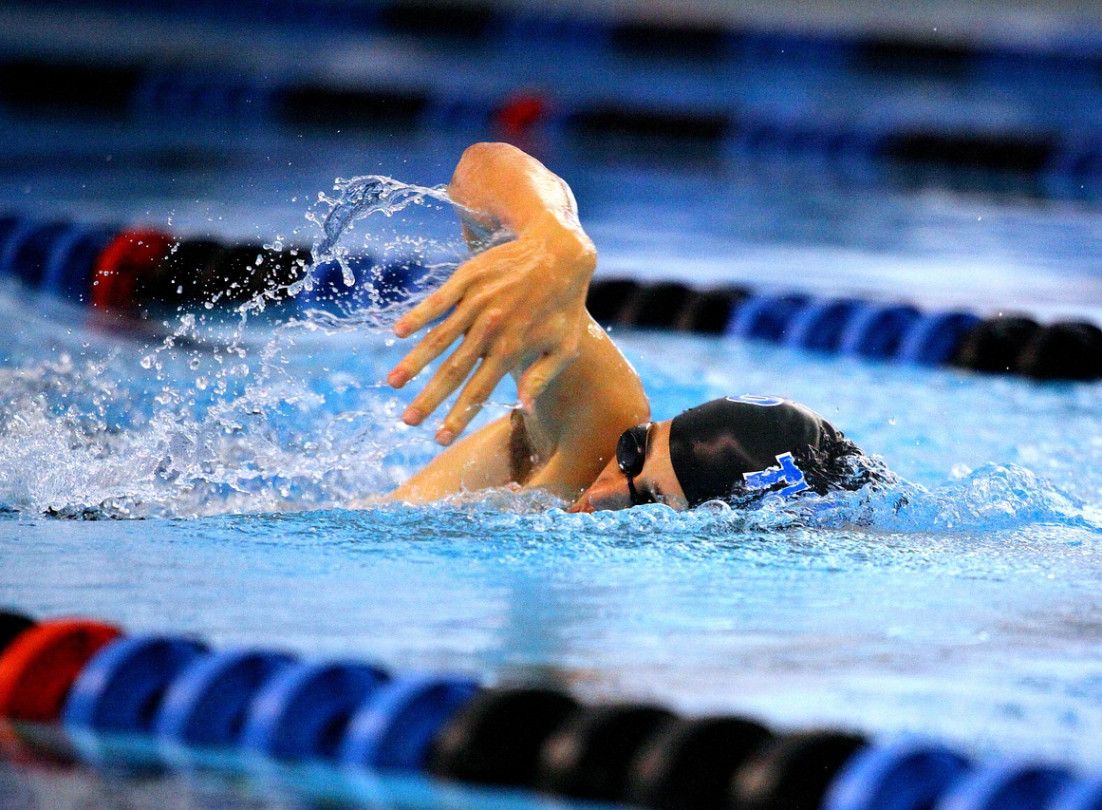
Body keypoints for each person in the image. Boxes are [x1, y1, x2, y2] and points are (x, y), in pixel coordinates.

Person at [384, 143, 871, 512]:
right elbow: (479, 167)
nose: (605, 491)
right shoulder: (599, 430)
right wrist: (555, 235)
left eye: (648, 504)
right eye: (632, 452)